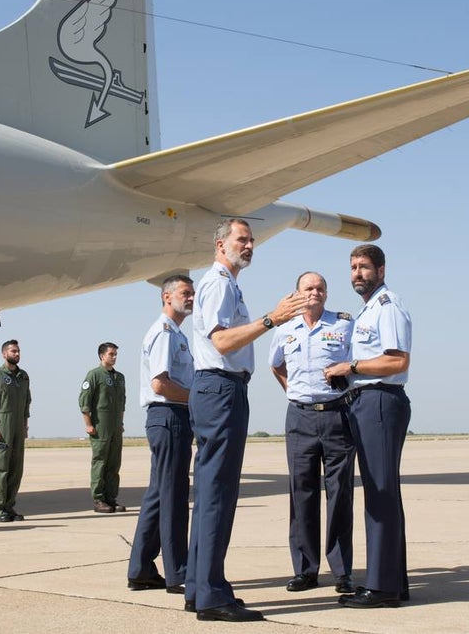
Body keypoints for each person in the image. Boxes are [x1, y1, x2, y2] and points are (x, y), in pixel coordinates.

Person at [185, 218, 306, 622]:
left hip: (218, 389)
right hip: (220, 389)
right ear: (220, 245)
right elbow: (221, 340)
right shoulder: (218, 283)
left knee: (209, 493)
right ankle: (213, 596)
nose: (250, 245)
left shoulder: (225, 283)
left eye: (252, 239)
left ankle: (200, 588)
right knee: (218, 494)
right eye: (242, 239)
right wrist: (272, 319)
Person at [324, 244, 412, 608]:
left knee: (379, 494)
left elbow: (396, 361)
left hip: (379, 401)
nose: (357, 273)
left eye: (364, 267)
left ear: (382, 269)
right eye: (353, 267)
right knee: (382, 494)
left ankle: (383, 587)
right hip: (365, 401)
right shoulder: (368, 310)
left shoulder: (388, 307)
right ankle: (390, 581)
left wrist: (352, 368)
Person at [269, 272, 356, 595]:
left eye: (320, 288)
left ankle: (342, 571)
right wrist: (293, 390)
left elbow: (357, 362)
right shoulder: (285, 328)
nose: (314, 292)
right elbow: (276, 365)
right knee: (301, 494)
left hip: (337, 415)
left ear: (327, 293)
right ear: (298, 293)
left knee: (340, 495)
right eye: (309, 288)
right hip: (300, 418)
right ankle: (305, 570)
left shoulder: (344, 324)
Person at [127, 275, 196, 594]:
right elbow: (161, 384)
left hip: (171, 417)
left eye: (193, 293)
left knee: (158, 494)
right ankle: (177, 572)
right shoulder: (165, 333)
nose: (192, 298)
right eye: (185, 293)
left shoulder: (176, 333)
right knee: (173, 497)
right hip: (168, 416)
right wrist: (197, 399)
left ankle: (141, 568)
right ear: (167, 297)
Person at [0, 339, 31, 522]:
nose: (16, 354)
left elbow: (26, 403)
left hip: (18, 429)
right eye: (13, 351)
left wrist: (25, 426)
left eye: (18, 351)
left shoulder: (23, 376)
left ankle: (9, 507)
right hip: (2, 428)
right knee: (0, 469)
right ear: (4, 354)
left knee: (15, 470)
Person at [79, 342, 127, 513]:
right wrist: (89, 425)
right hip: (101, 426)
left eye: (115, 354)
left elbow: (122, 403)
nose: (114, 357)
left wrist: (120, 424)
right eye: (111, 354)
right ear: (102, 356)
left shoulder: (119, 377)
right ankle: (99, 499)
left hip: (115, 427)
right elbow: (84, 403)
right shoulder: (94, 375)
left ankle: (111, 498)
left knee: (114, 464)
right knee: (100, 462)